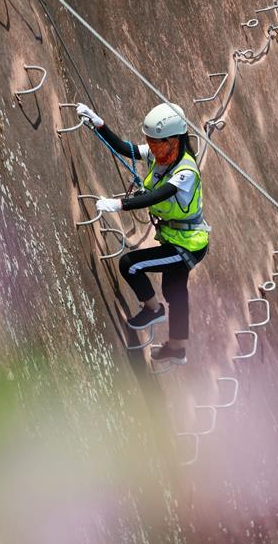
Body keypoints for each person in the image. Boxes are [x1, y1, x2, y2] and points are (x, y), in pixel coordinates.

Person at [76, 101, 210, 365]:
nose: (154, 148)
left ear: (175, 140)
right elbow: (126, 149)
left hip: (186, 245)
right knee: (175, 291)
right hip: (175, 237)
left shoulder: (185, 171)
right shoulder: (162, 154)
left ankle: (153, 310)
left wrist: (119, 204)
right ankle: (177, 347)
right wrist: (99, 124)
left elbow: (159, 195)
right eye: (151, 141)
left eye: (159, 142)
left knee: (131, 265)